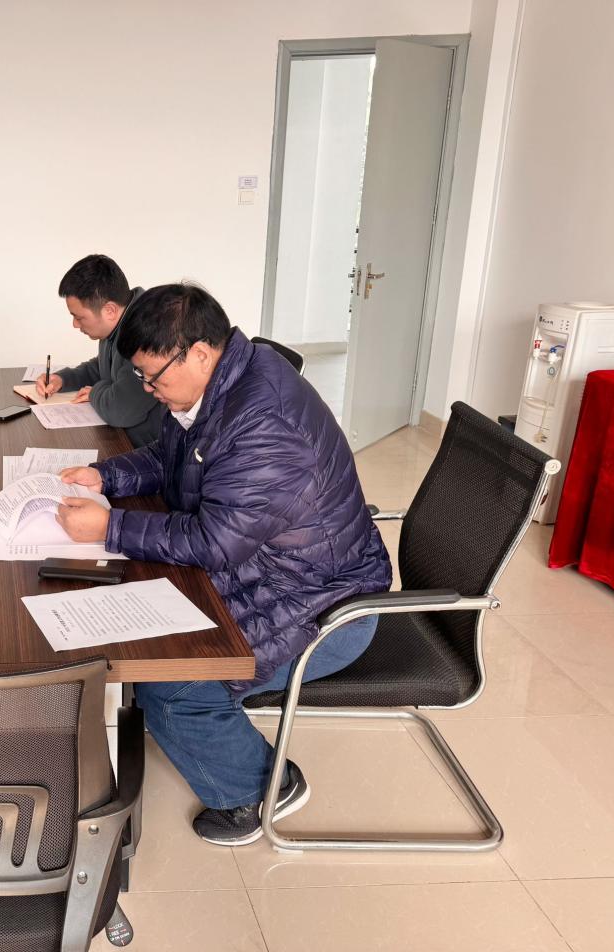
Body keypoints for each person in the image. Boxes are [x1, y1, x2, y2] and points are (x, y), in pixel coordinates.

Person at [55, 283, 392, 845]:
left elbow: (214, 542)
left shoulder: (265, 426)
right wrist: (105, 476)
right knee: (142, 631)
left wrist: (109, 528)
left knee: (169, 680)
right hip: (271, 570)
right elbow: (170, 459)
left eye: (153, 378)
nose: (149, 390)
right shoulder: (217, 385)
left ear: (199, 353)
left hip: (324, 604)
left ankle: (259, 789)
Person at [34, 254, 164, 447]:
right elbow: (104, 368)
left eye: (79, 317)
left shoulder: (146, 333)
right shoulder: (118, 323)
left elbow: (120, 410)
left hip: (149, 451)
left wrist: (95, 392)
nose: (75, 324)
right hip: (125, 440)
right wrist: (63, 379)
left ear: (110, 310)